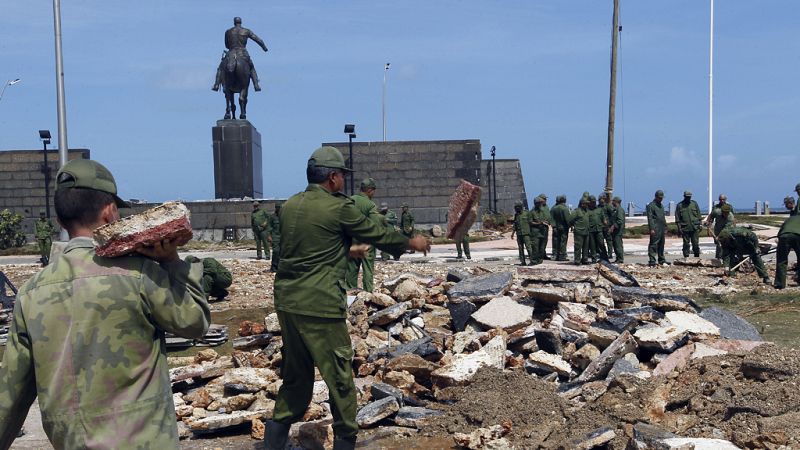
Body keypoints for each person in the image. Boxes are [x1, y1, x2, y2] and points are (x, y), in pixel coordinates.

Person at [0, 159, 210, 448]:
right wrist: (172, 262)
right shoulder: (138, 274)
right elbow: (194, 322)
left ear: (60, 221)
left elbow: (11, 394)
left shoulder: (31, 292)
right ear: (111, 212)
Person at [264, 146, 430, 450]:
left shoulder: (290, 205)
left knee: (296, 377)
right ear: (332, 177)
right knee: (339, 378)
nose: (343, 182)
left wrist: (345, 250)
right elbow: (375, 232)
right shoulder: (338, 208)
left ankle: (273, 441)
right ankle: (345, 441)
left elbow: (306, 249)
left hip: (287, 302)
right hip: (319, 304)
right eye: (341, 176)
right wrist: (411, 242)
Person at [213, 17, 268, 92]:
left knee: (221, 67)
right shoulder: (246, 31)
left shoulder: (228, 31)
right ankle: (256, 85)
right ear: (240, 22)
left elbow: (226, 45)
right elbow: (258, 39)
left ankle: (216, 84)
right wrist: (264, 47)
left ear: (234, 22)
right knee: (251, 67)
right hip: (243, 54)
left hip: (231, 53)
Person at [345, 178, 381, 292]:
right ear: (370, 190)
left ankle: (351, 293)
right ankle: (368, 294)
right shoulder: (370, 205)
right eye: (374, 191)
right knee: (367, 269)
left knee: (351, 269)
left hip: (351, 241)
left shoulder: (349, 200)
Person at [773, 212, 800, 289]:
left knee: (782, 260)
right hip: (798, 236)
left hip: (784, 236)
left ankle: (779, 284)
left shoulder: (790, 219)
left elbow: (781, 231)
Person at [705, 194, 736, 258]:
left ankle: (727, 257)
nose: (722, 200)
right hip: (718, 228)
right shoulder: (716, 208)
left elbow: (733, 219)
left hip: (727, 227)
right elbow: (711, 216)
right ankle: (718, 258)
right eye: (720, 199)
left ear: (725, 199)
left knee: (727, 243)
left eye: (723, 199)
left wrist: (734, 228)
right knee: (718, 243)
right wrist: (708, 225)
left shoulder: (729, 207)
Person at [675, 190, 702, 258]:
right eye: (687, 197)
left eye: (689, 197)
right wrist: (679, 228)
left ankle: (696, 256)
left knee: (695, 243)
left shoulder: (694, 204)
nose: (688, 198)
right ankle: (686, 257)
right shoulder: (679, 205)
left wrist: (700, 225)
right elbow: (677, 218)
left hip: (694, 227)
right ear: (684, 196)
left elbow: (699, 216)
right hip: (685, 228)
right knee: (686, 244)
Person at [647, 190, 668, 267]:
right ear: (656, 197)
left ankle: (661, 259)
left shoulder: (661, 206)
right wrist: (652, 228)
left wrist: (665, 226)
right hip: (655, 227)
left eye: (662, 198)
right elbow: (650, 218)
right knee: (653, 244)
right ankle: (652, 260)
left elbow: (663, 217)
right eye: (659, 198)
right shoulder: (651, 206)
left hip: (661, 227)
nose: (661, 199)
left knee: (661, 244)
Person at [510, 201, 533, 265]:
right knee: (520, 248)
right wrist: (512, 233)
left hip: (526, 234)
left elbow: (531, 223)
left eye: (516, 207)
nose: (515, 209)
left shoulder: (527, 214)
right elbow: (515, 225)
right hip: (519, 234)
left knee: (529, 247)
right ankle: (523, 261)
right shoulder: (516, 215)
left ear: (520, 207)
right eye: (515, 208)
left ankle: (532, 260)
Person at [569, 198, 591, 265]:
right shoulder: (576, 211)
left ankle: (585, 259)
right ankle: (577, 260)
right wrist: (574, 226)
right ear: (582, 204)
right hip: (579, 232)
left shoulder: (587, 211)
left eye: (587, 204)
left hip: (586, 232)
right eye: (585, 204)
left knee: (585, 247)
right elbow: (570, 220)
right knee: (578, 247)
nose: (587, 205)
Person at [528, 196, 549, 265]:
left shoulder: (543, 211)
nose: (541, 204)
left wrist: (546, 222)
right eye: (539, 203)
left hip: (543, 232)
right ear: (536, 203)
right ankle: (534, 261)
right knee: (535, 248)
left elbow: (547, 218)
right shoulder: (532, 212)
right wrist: (539, 223)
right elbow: (530, 222)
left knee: (542, 248)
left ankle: (540, 261)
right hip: (535, 233)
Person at [587, 195, 608, 261]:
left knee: (601, 243)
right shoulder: (587, 211)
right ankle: (594, 257)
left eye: (594, 202)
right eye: (592, 202)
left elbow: (604, 219)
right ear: (589, 202)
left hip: (599, 229)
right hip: (591, 230)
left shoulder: (599, 210)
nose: (594, 203)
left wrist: (606, 226)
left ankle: (605, 257)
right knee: (592, 245)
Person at [549, 195, 570, 261]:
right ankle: (562, 256)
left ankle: (556, 255)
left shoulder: (553, 208)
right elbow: (568, 219)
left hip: (556, 228)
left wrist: (553, 226)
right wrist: (571, 225)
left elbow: (551, 218)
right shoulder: (565, 208)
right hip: (564, 228)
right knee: (563, 241)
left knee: (556, 242)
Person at [609, 196, 626, 263]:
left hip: (618, 231)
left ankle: (620, 259)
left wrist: (613, 226)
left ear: (616, 202)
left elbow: (620, 220)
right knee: (615, 245)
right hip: (615, 231)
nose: (612, 202)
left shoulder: (620, 210)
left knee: (618, 245)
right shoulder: (616, 209)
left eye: (613, 201)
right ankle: (618, 258)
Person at [600, 194, 615, 260]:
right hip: (600, 227)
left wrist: (611, 225)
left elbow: (613, 216)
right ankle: (603, 253)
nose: (601, 200)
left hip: (607, 226)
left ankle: (610, 253)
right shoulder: (598, 207)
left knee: (609, 240)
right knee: (601, 241)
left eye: (602, 199)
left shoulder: (608, 207)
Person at [538, 193, 551, 259]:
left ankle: (543, 254)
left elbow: (549, 215)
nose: (545, 200)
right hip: (540, 227)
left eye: (545, 199)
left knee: (545, 241)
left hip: (546, 227)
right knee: (540, 242)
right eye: (544, 199)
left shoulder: (546, 207)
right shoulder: (538, 207)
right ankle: (540, 255)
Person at [269, 204, 282, 272]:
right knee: (276, 252)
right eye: (277, 208)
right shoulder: (273, 217)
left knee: (282, 252)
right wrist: (269, 236)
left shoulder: (283, 217)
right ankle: (273, 267)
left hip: (282, 237)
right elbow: (269, 227)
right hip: (275, 237)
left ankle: (280, 267)